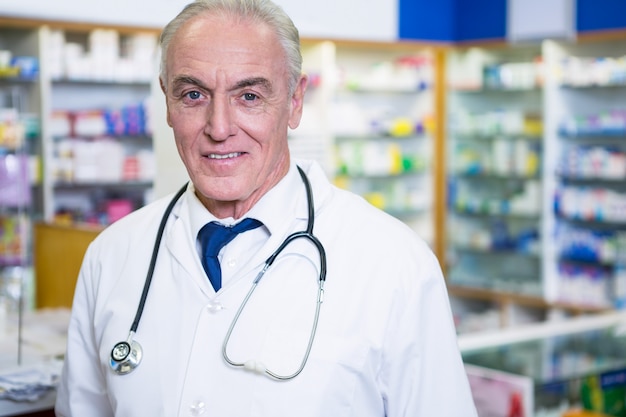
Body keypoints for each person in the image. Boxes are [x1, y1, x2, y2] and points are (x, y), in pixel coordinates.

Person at [55, 0, 477, 415]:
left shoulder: (395, 264)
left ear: (295, 101)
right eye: (194, 94)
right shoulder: (111, 256)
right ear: (167, 101)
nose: (219, 128)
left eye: (250, 96)